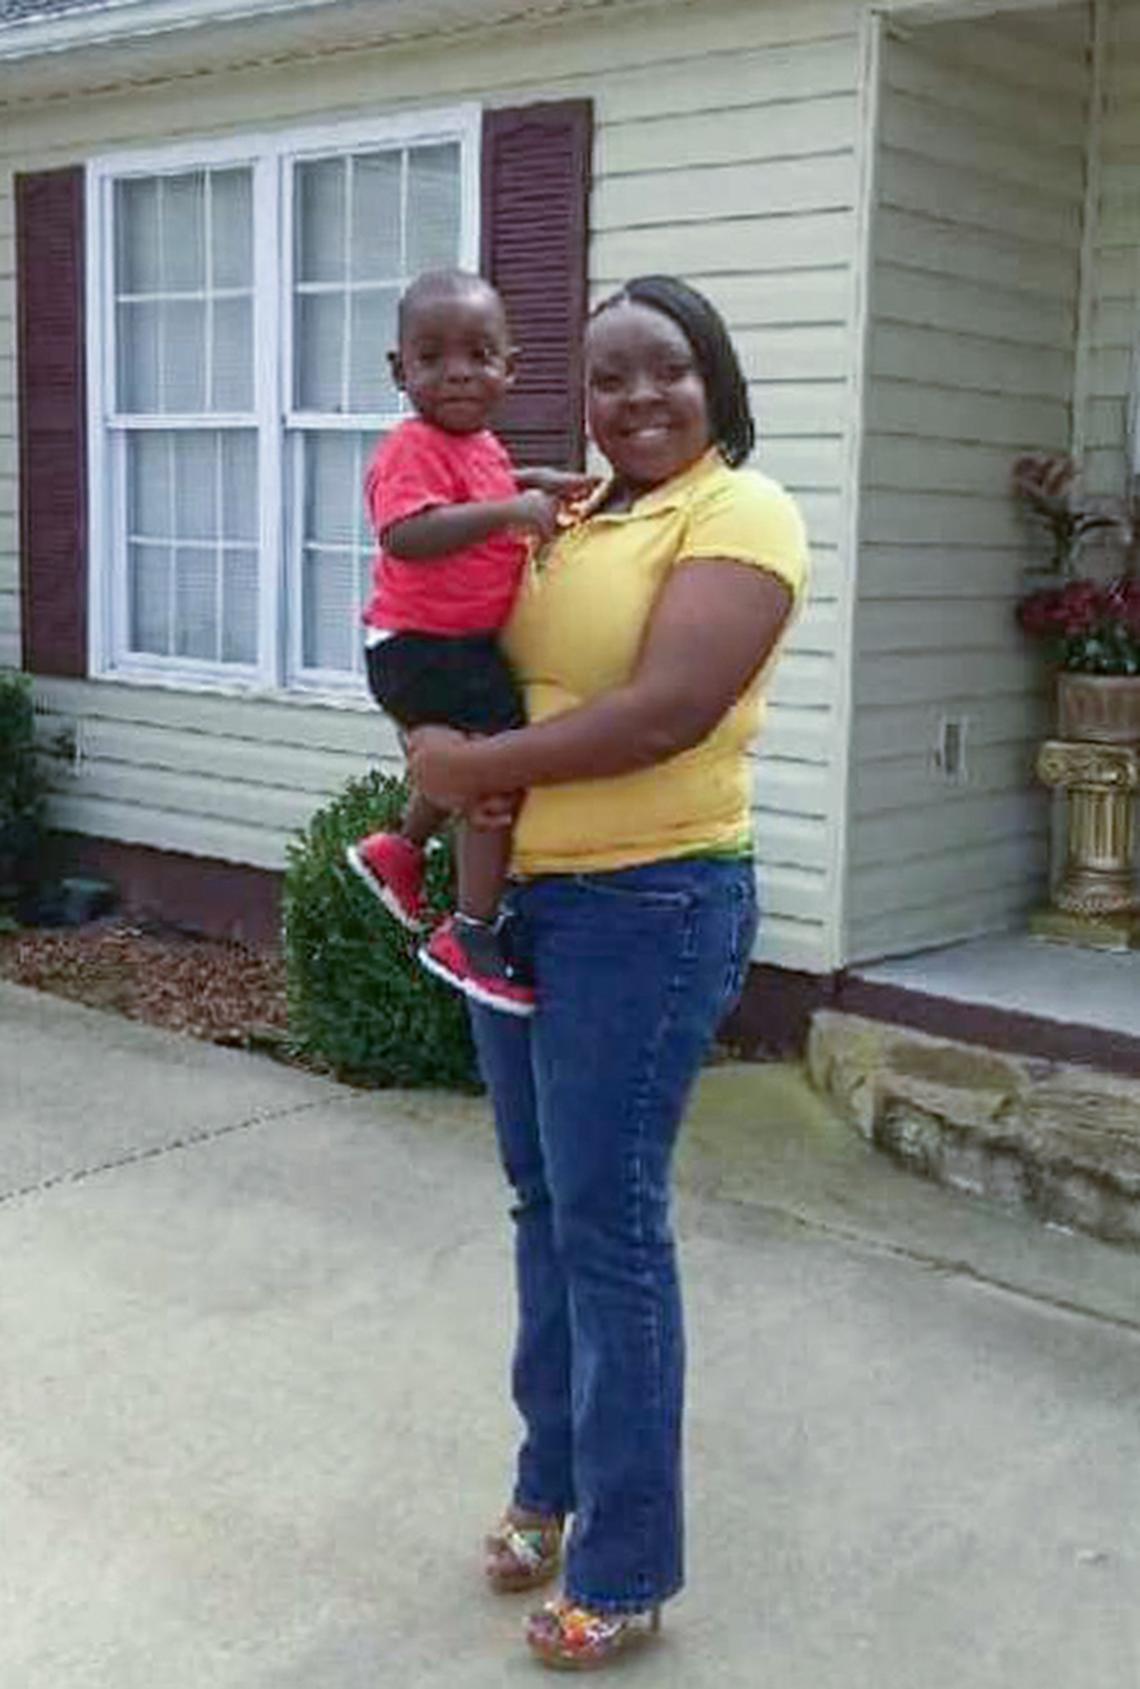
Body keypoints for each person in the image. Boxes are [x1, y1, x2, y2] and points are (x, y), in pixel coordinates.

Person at [407, 274, 810, 1670]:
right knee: (541, 1203)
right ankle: (552, 1486)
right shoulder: (584, 515)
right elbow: (476, 629)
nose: (637, 399)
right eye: (607, 380)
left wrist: (469, 770)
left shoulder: (740, 512)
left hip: (654, 902)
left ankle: (629, 1569)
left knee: (610, 1222)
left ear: (715, 379)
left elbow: (667, 711)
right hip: (521, 902)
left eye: (665, 371)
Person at [347, 269, 592, 1016]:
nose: (458, 371)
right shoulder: (411, 444)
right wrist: (509, 512)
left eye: (480, 354)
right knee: (493, 777)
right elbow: (408, 535)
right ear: (400, 370)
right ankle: (471, 932)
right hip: (424, 647)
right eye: (432, 356)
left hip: (446, 645)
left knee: (467, 758)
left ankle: (400, 848)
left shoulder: (477, 443)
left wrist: (531, 477)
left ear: (510, 368)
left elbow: (476, 484)